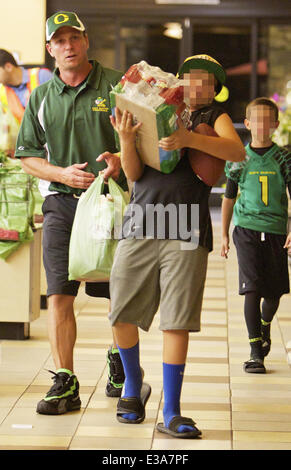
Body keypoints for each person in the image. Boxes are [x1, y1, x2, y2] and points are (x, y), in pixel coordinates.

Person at [108, 55, 245, 438]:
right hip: (141, 220)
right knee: (121, 308)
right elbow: (135, 174)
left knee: (176, 319)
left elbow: (237, 151)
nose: (194, 85)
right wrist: (125, 140)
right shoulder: (157, 109)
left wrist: (188, 139)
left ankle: (172, 411)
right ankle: (133, 386)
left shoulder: (211, 117)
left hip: (186, 225)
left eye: (204, 80)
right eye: (189, 78)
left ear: (214, 88)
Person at [14, 11, 126, 415]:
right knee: (59, 293)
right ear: (50, 50)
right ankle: (65, 380)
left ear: (86, 40)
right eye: (59, 41)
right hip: (62, 203)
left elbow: (144, 139)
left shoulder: (116, 85)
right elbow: (26, 155)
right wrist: (60, 172)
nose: (68, 46)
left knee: (117, 294)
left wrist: (119, 159)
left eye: (73, 37)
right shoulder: (41, 98)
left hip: (112, 201)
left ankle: (121, 362)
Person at [221, 97, 291, 374]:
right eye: (256, 120)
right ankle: (254, 352)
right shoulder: (239, 157)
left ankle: (264, 325)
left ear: (274, 125)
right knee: (251, 288)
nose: (261, 125)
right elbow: (228, 198)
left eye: (267, 120)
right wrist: (225, 234)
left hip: (275, 230)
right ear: (248, 124)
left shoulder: (284, 158)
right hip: (246, 229)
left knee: (273, 293)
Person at [0, 49, 52, 156]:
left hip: (54, 145)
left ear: (8, 67)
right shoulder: (3, 92)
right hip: (31, 151)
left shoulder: (42, 76)